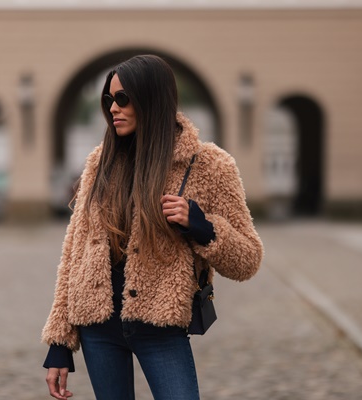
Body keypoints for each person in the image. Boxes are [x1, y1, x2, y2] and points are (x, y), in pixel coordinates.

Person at [42, 54, 264, 400]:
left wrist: (202, 226)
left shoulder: (210, 165)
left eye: (122, 99)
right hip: (98, 328)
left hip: (160, 327)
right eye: (108, 100)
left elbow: (248, 259)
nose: (113, 108)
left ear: (152, 99)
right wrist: (59, 342)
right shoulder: (101, 162)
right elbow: (73, 253)